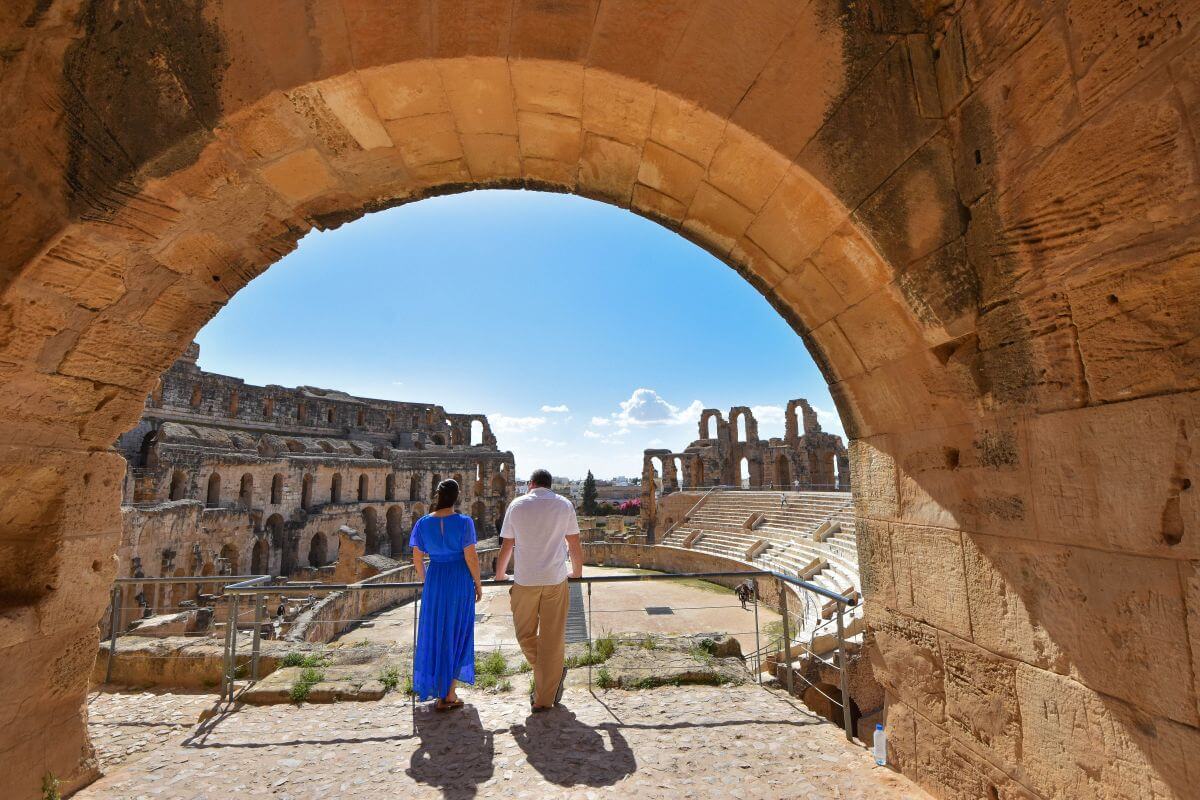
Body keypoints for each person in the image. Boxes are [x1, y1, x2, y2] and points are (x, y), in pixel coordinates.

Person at [495, 468, 584, 712]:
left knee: (524, 635)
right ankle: (551, 676)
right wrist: (577, 572)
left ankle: (544, 698)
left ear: (531, 484)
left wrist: (500, 574)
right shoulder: (564, 505)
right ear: (549, 484)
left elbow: (508, 545)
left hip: (525, 580)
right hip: (555, 579)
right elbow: (574, 542)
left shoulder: (517, 505)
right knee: (552, 640)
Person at [410, 479, 483, 711]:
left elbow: (417, 559)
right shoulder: (464, 522)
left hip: (436, 579)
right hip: (459, 579)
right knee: (457, 632)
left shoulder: (422, 523)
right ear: (457, 497)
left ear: (437, 495)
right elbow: (471, 557)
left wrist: (428, 581)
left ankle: (438, 689)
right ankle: (449, 693)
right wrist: (478, 584)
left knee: (436, 632)